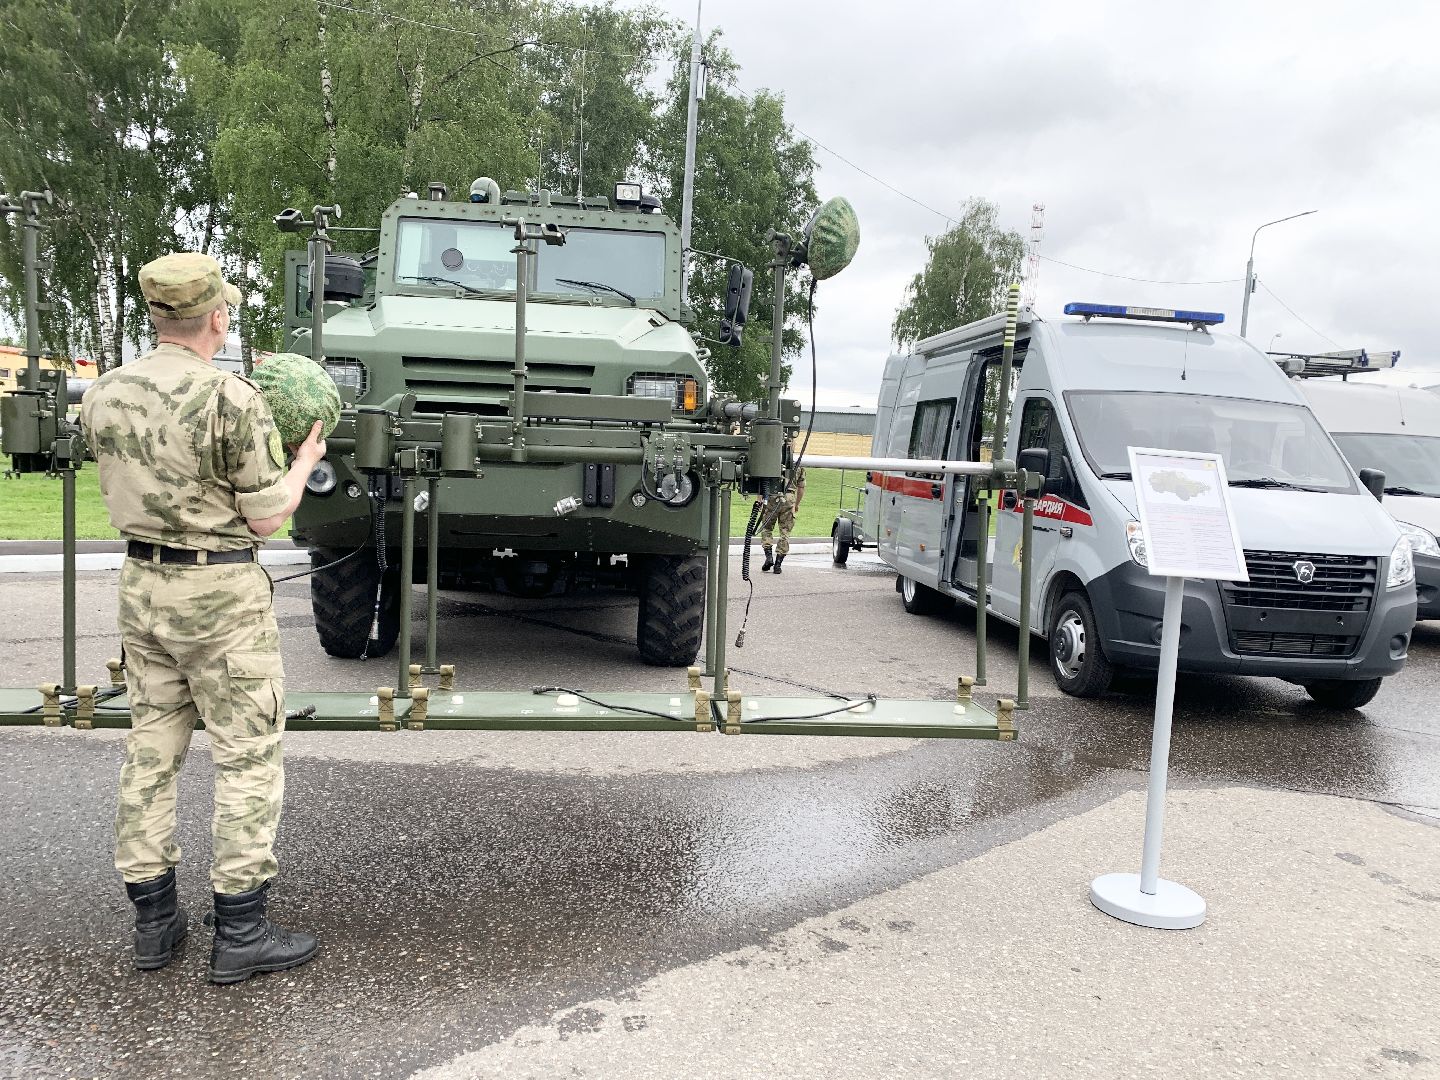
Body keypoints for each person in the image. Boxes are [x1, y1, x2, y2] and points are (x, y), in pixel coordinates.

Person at [80, 252, 325, 984]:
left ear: (156, 316)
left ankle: (155, 926)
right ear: (217, 316)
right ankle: (241, 932)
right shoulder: (231, 399)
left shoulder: (106, 392)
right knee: (247, 755)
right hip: (218, 597)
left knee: (151, 750)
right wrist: (304, 462)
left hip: (143, 587)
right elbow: (267, 520)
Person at [760, 464, 805, 574]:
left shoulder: (771, 459)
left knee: (766, 527)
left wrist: (761, 500)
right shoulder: (799, 466)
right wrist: (796, 504)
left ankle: (769, 556)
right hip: (789, 497)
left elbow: (762, 482)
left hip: (772, 495)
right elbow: (801, 487)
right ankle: (778, 564)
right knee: (785, 532)